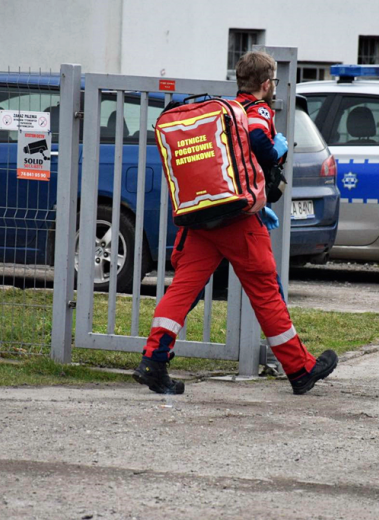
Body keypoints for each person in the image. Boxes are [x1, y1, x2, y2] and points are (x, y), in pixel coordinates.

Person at [133, 50, 337, 396]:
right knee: (265, 291)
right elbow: (258, 137)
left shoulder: (225, 110)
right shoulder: (256, 111)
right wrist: (275, 152)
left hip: (202, 219)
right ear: (267, 83)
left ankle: (153, 361)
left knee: (182, 289)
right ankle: (300, 370)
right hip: (240, 220)